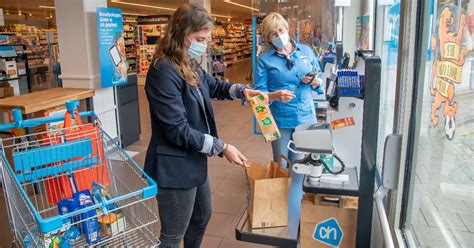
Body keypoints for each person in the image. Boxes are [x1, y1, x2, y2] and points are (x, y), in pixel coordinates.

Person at [143, 4, 266, 248]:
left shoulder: (187, 63)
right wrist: (221, 146)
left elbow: (214, 86)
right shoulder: (163, 70)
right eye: (200, 38)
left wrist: (243, 91)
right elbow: (177, 129)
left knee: (200, 217)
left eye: (206, 38)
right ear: (181, 34)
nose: (205, 44)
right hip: (174, 167)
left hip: (193, 159)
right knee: (173, 234)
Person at [254, 12, 322, 214]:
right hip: (281, 120)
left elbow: (319, 83)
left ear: (287, 29)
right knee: (282, 164)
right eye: (273, 33)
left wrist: (316, 82)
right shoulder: (264, 60)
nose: (278, 35)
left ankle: (297, 204)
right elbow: (259, 94)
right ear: (267, 38)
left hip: (304, 118)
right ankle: (280, 207)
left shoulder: (306, 51)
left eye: (280, 30)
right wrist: (275, 95)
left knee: (300, 164)